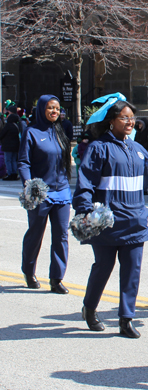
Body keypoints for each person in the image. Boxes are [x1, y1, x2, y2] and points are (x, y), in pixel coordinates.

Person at [73, 94, 148, 338]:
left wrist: (142, 211)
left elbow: (143, 187)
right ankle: (90, 307)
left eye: (132, 117)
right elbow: (85, 182)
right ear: (111, 121)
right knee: (103, 267)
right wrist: (85, 210)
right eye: (124, 117)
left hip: (135, 221)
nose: (129, 121)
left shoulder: (139, 150)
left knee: (132, 270)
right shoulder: (98, 148)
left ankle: (126, 318)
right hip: (107, 222)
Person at [18, 95, 72, 293]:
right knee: (35, 234)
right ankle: (28, 271)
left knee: (61, 236)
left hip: (62, 192)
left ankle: (56, 279)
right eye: (50, 108)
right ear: (42, 109)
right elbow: (23, 162)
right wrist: (29, 184)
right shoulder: (31, 132)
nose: (54, 112)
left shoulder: (60, 131)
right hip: (40, 193)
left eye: (57, 108)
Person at [134, 118, 148, 195]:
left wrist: (142, 146)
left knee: (145, 171)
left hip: (144, 151)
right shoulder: (138, 132)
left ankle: (144, 188)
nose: (139, 126)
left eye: (140, 124)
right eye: (138, 124)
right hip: (138, 152)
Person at [0, 111, 21, 180]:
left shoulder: (8, 125)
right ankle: (14, 173)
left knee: (8, 160)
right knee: (14, 160)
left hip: (7, 146)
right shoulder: (16, 126)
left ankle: (10, 174)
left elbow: (2, 134)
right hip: (15, 146)